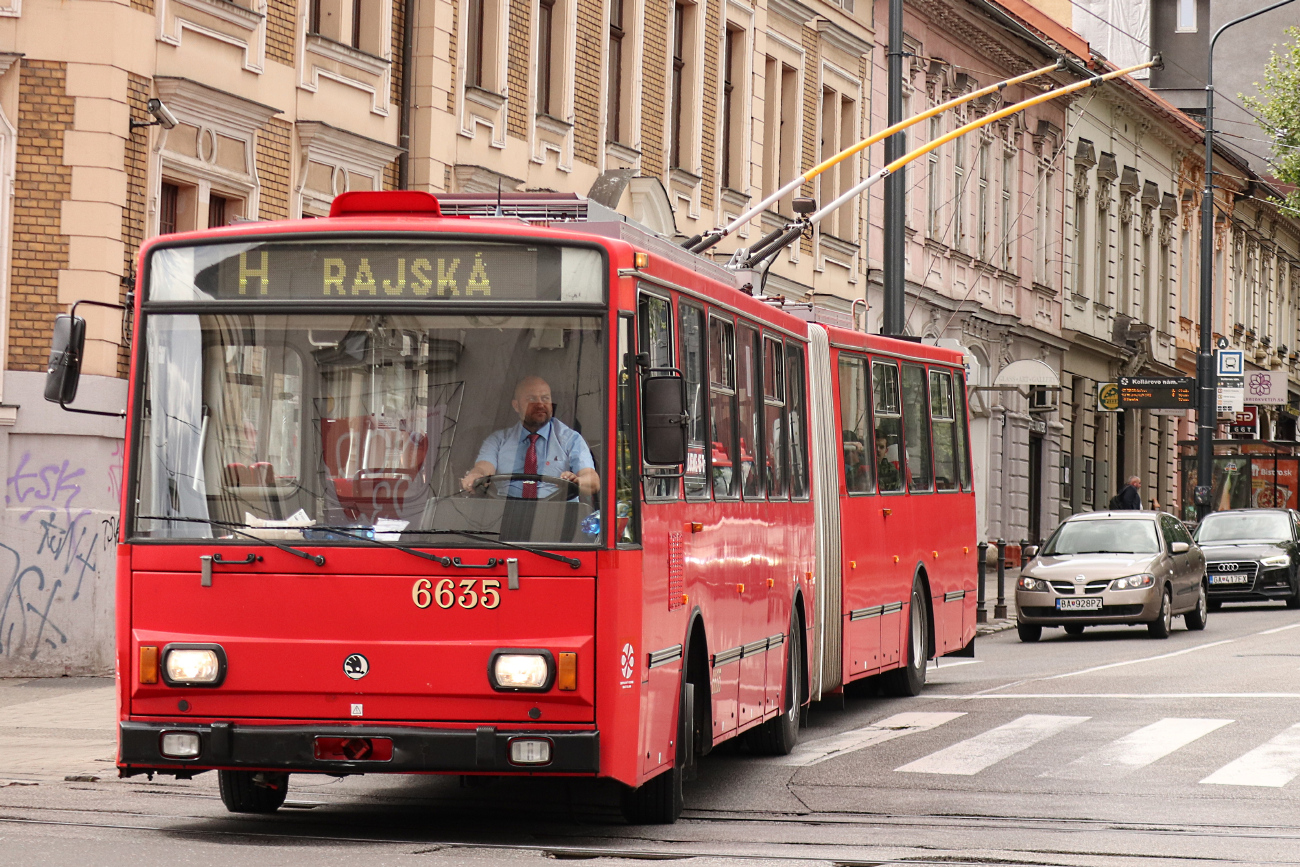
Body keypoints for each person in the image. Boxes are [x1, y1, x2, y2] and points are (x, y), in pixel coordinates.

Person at [461, 375, 599, 499]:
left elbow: (592, 480)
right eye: (532, 399)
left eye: (545, 398)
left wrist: (577, 482)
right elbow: (483, 468)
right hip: (505, 513)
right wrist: (475, 476)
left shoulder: (571, 439)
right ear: (516, 406)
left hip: (558, 514)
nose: (540, 404)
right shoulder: (497, 440)